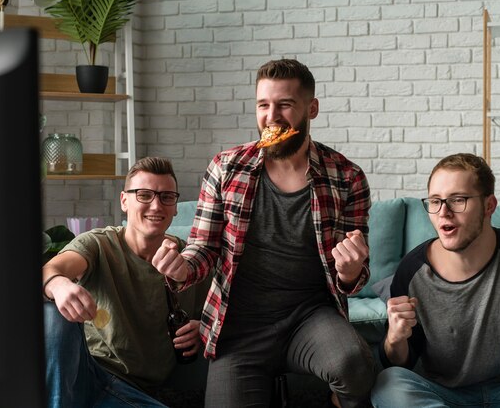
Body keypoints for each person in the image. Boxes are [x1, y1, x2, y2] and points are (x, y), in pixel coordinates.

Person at [153, 58, 376, 408]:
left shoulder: (347, 177)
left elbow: (355, 274)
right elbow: (204, 247)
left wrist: (350, 272)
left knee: (355, 366)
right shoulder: (226, 167)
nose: (271, 116)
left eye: (285, 104)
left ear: (311, 108)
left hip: (311, 316)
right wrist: (182, 268)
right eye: (263, 105)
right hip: (240, 325)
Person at [371, 153, 500, 408]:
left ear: (489, 205)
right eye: (435, 201)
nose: (443, 212)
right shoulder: (412, 271)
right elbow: (399, 363)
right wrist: (394, 338)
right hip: (444, 396)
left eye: (458, 200)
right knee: (389, 383)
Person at [42, 157, 208, 408]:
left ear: (175, 206)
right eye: (144, 195)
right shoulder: (99, 244)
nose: (156, 206)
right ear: (124, 201)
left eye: (166, 197)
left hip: (129, 392)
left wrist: (204, 329)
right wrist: (59, 285)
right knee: (53, 310)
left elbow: (226, 311)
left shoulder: (191, 260)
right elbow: (50, 269)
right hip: (82, 374)